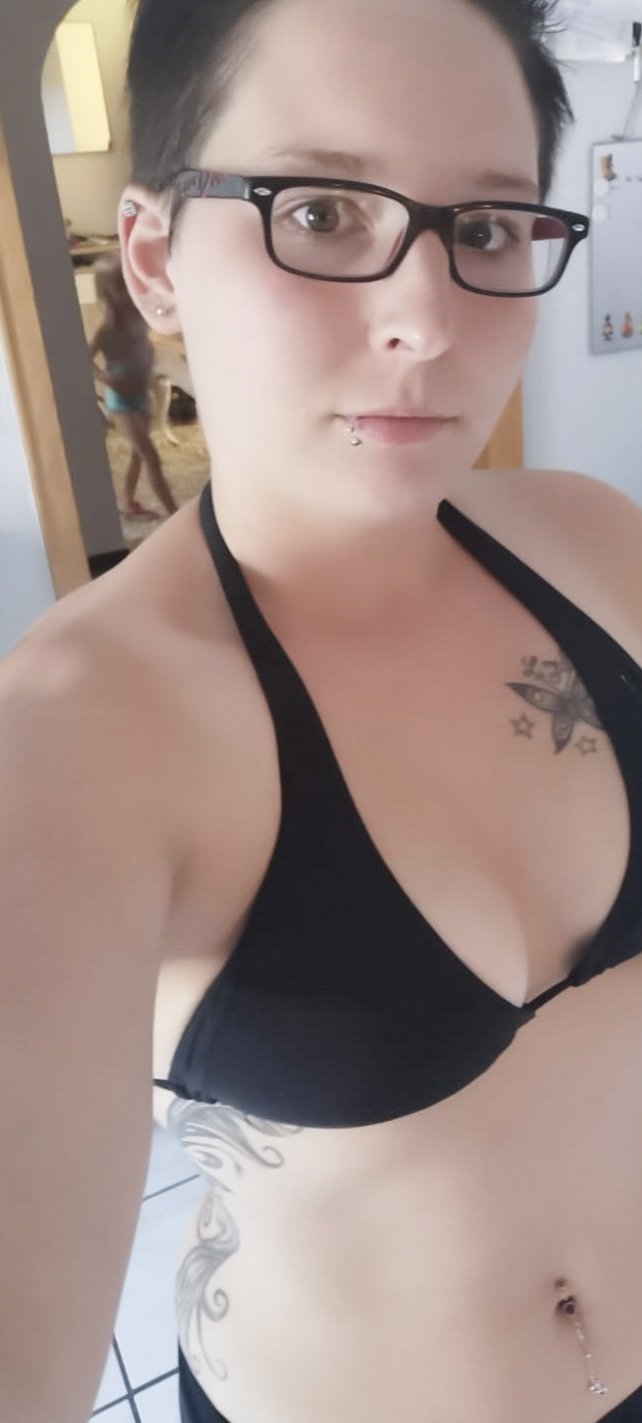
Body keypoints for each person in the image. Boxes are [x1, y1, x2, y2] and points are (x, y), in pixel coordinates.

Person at [2, 1, 642, 1421]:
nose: (424, 319)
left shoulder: (595, 545)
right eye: (322, 210)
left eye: (487, 228)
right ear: (156, 258)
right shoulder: (74, 741)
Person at [90, 252, 178, 517]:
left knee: (138, 455)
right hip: (121, 400)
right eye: (121, 285)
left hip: (141, 394)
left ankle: (126, 502)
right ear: (107, 291)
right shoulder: (107, 327)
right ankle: (173, 512)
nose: (128, 289)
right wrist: (106, 378)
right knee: (151, 457)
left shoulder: (139, 317)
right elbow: (82, 359)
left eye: (129, 281)